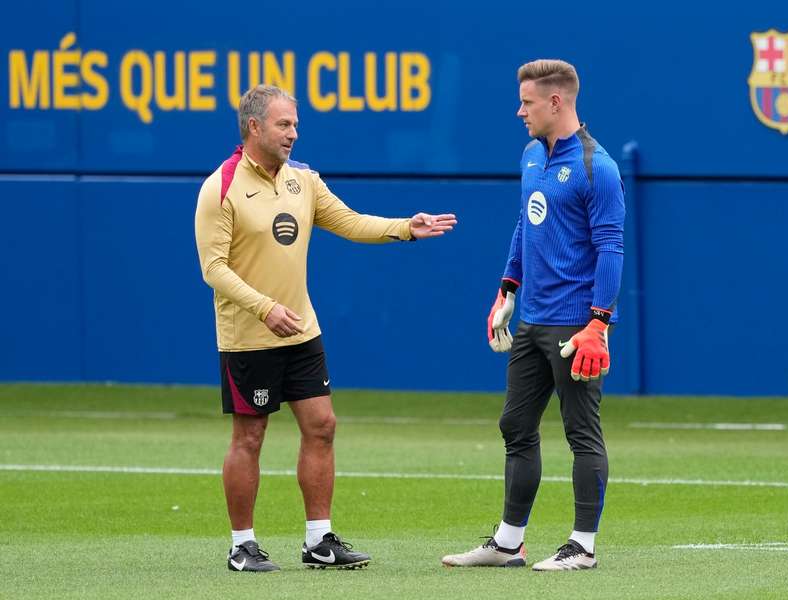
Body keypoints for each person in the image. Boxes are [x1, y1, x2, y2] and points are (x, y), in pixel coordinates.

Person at [195, 84, 456, 572]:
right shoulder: (221, 186)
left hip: (301, 331)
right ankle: (241, 546)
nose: (294, 133)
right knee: (249, 439)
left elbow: (350, 222)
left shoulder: (303, 181)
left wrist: (405, 227)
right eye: (284, 124)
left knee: (322, 426)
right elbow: (213, 268)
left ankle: (319, 541)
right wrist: (263, 308)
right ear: (254, 127)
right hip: (249, 336)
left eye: (295, 124)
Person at [441, 59, 624, 571]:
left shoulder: (597, 166)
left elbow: (611, 247)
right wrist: (507, 288)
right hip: (532, 321)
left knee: (581, 432)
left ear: (556, 102)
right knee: (515, 424)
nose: (519, 110)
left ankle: (583, 546)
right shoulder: (529, 155)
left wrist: (598, 324)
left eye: (526, 102)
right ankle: (508, 543)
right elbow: (526, 225)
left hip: (575, 327)